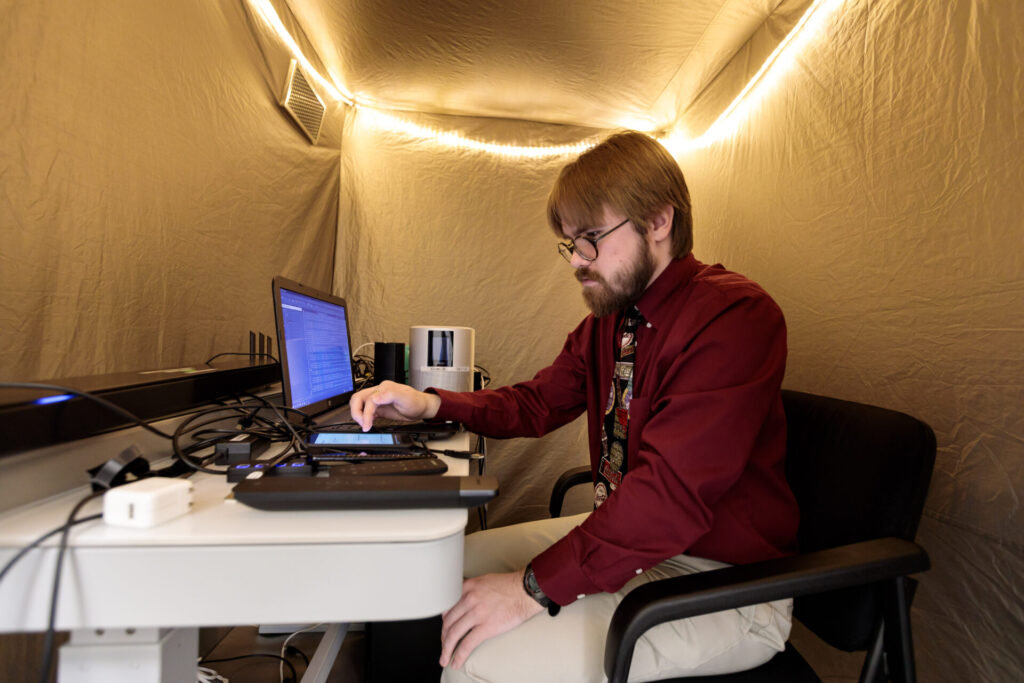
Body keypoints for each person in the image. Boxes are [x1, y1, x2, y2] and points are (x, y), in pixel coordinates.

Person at [350, 130, 799, 682]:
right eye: (570, 244)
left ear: (658, 222)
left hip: (724, 581)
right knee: (437, 570)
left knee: (479, 659)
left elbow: (668, 499)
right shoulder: (609, 324)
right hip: (631, 539)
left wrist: (529, 588)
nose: (577, 262)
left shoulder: (734, 319)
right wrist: (430, 405)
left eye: (591, 238)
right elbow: (536, 403)